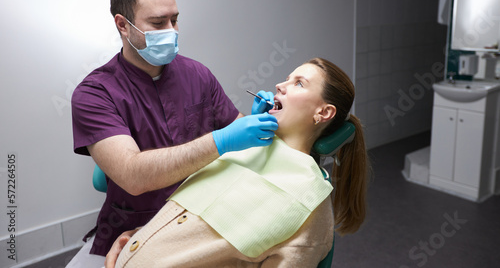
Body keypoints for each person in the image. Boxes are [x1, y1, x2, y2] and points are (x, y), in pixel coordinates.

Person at [68, 0, 278, 268]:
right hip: (133, 228)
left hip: (203, 218)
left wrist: (254, 124)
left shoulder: (197, 75)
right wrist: (222, 140)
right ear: (122, 25)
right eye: (158, 23)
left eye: (174, 19)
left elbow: (239, 134)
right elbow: (133, 175)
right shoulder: (95, 93)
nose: (172, 30)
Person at [105, 57, 370, 268]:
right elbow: (193, 231)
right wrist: (140, 238)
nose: (280, 85)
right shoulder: (238, 150)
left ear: (323, 113)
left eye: (299, 83)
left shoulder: (308, 201)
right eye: (287, 79)